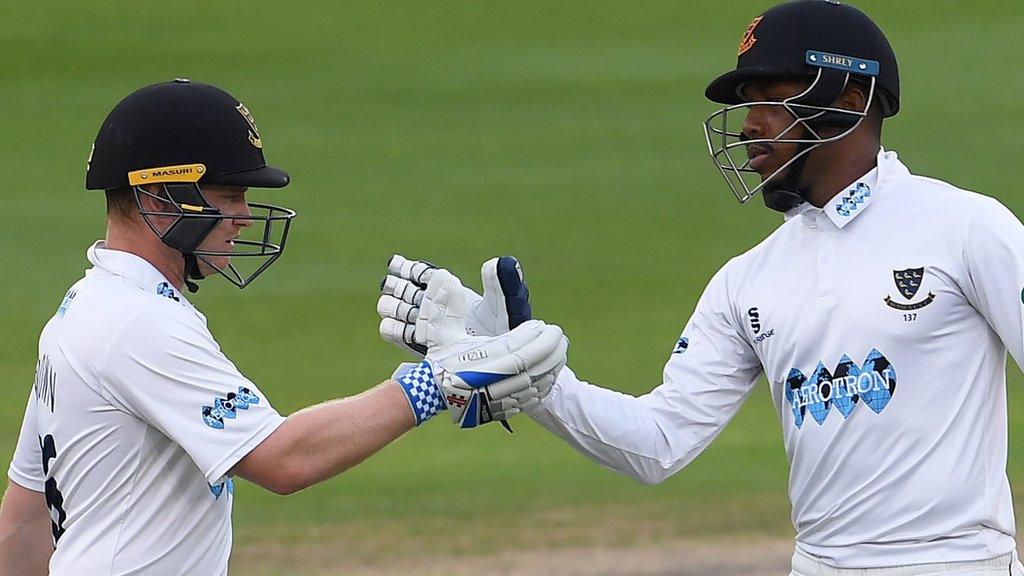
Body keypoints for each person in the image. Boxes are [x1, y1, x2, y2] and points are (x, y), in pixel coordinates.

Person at [378, 1, 1024, 573]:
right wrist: (531, 374)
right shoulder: (746, 281)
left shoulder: (965, 228)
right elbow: (659, 443)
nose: (747, 126)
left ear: (849, 103)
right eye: (747, 105)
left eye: (770, 97)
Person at [0, 79, 566, 576]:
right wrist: (434, 382)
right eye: (229, 195)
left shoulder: (83, 310)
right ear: (158, 195)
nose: (245, 216)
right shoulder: (136, 323)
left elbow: (25, 517)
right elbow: (284, 461)